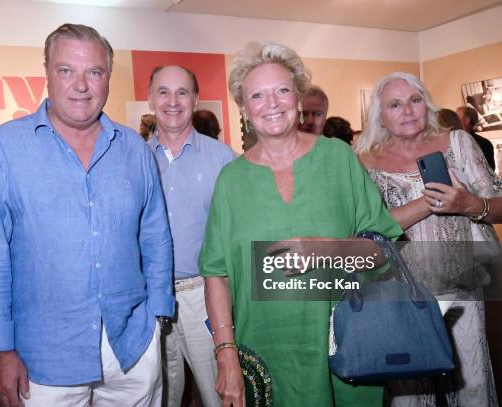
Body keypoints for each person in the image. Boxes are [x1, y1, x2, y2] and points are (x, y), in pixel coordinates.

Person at [0, 23, 173, 406]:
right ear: (46, 72)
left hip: (131, 347)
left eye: (94, 72)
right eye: (66, 71)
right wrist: (0, 350)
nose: (81, 85)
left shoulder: (135, 150)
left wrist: (158, 315)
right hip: (43, 358)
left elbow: (155, 236)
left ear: (108, 76)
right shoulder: (6, 149)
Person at [199, 41, 402, 407]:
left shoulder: (338, 158)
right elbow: (216, 274)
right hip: (265, 350)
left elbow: (382, 248)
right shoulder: (230, 180)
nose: (272, 103)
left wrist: (324, 250)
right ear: (244, 109)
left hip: (346, 345)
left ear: (298, 98)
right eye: (257, 95)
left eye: (282, 90)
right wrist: (225, 354)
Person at [356, 71, 501, 407]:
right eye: (395, 104)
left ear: (427, 105)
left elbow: (498, 203)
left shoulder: (458, 143)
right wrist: (428, 203)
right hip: (400, 293)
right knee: (409, 391)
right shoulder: (363, 162)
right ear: (380, 113)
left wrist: (470, 205)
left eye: (415, 100)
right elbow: (370, 230)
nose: (407, 110)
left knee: (472, 385)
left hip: (461, 285)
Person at [147, 65, 235, 407]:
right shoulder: (133, 158)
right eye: (163, 92)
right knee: (161, 397)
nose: (172, 101)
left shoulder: (223, 159)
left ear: (195, 99)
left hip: (205, 296)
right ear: (151, 98)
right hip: (151, 299)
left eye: (182, 92)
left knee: (219, 393)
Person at [457, 105, 495, 170]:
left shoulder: (484, 144)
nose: (454, 120)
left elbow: (489, 171)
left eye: (456, 117)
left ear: (466, 120)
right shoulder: (451, 141)